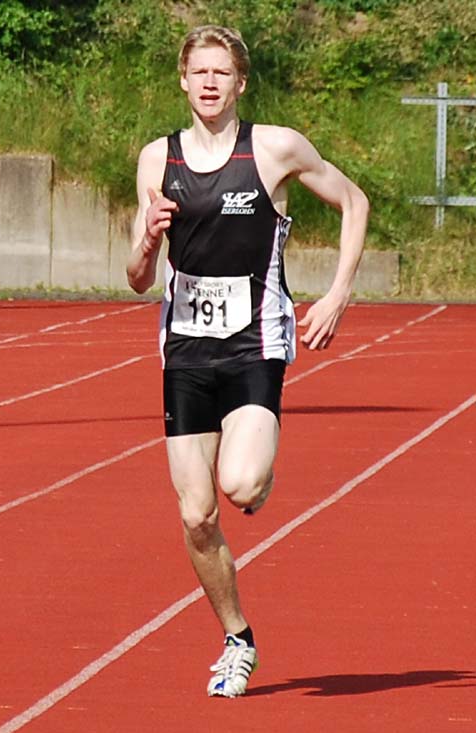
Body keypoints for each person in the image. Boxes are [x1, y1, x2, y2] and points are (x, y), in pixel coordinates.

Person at [127, 24, 369, 698]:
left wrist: (338, 293)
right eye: (199, 72)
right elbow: (137, 278)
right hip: (184, 348)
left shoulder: (273, 148)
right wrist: (146, 241)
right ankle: (238, 638)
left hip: (255, 341)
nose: (209, 83)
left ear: (239, 83)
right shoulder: (157, 159)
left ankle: (255, 471)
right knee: (197, 516)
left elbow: (354, 201)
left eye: (221, 73)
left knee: (238, 485)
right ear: (183, 80)